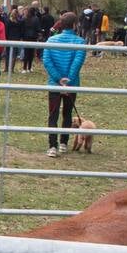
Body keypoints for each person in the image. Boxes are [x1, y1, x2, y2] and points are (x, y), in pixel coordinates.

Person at [42, 12, 86, 157]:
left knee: (53, 114)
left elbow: (47, 61)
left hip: (54, 84)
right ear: (75, 25)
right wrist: (68, 80)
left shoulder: (51, 41)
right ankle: (63, 143)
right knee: (67, 113)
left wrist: (58, 79)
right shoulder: (80, 42)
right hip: (71, 84)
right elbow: (77, 62)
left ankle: (52, 146)